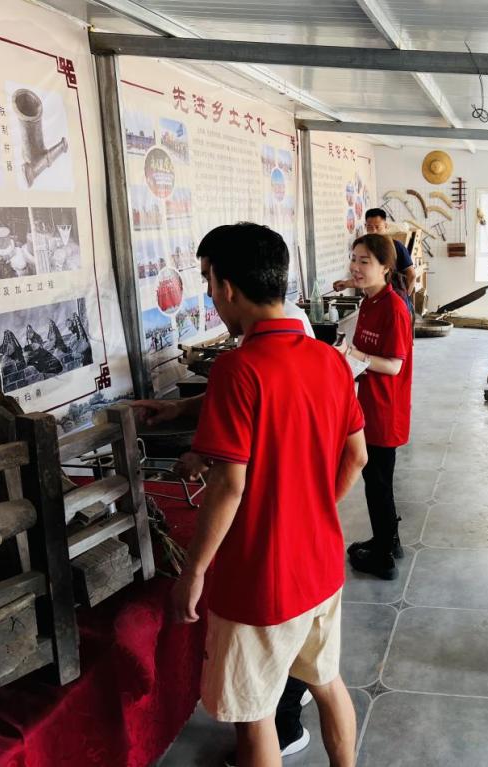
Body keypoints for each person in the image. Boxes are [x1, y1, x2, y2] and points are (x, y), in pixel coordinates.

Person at [163, 222, 366, 767]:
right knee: (327, 682)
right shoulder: (328, 359)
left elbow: (229, 485)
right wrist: (313, 507)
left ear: (228, 287)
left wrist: (193, 572)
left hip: (261, 579)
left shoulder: (238, 368)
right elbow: (357, 456)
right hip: (321, 564)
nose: (210, 295)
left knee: (254, 715)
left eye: (208, 282)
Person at [337, 234, 413, 580]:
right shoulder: (369, 301)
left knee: (378, 482)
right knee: (376, 480)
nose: (355, 267)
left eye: (364, 261)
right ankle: (389, 541)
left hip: (385, 409)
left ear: (385, 267)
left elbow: (394, 365)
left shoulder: (394, 308)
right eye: (354, 259)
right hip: (369, 403)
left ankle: (383, 557)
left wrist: (352, 354)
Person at [333, 209, 416, 312]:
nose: (373, 231)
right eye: (369, 227)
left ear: (386, 226)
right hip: (376, 302)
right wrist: (346, 284)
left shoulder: (396, 247)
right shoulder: (366, 248)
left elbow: (411, 275)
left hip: (394, 302)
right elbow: (370, 277)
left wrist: (403, 298)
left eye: (377, 227)